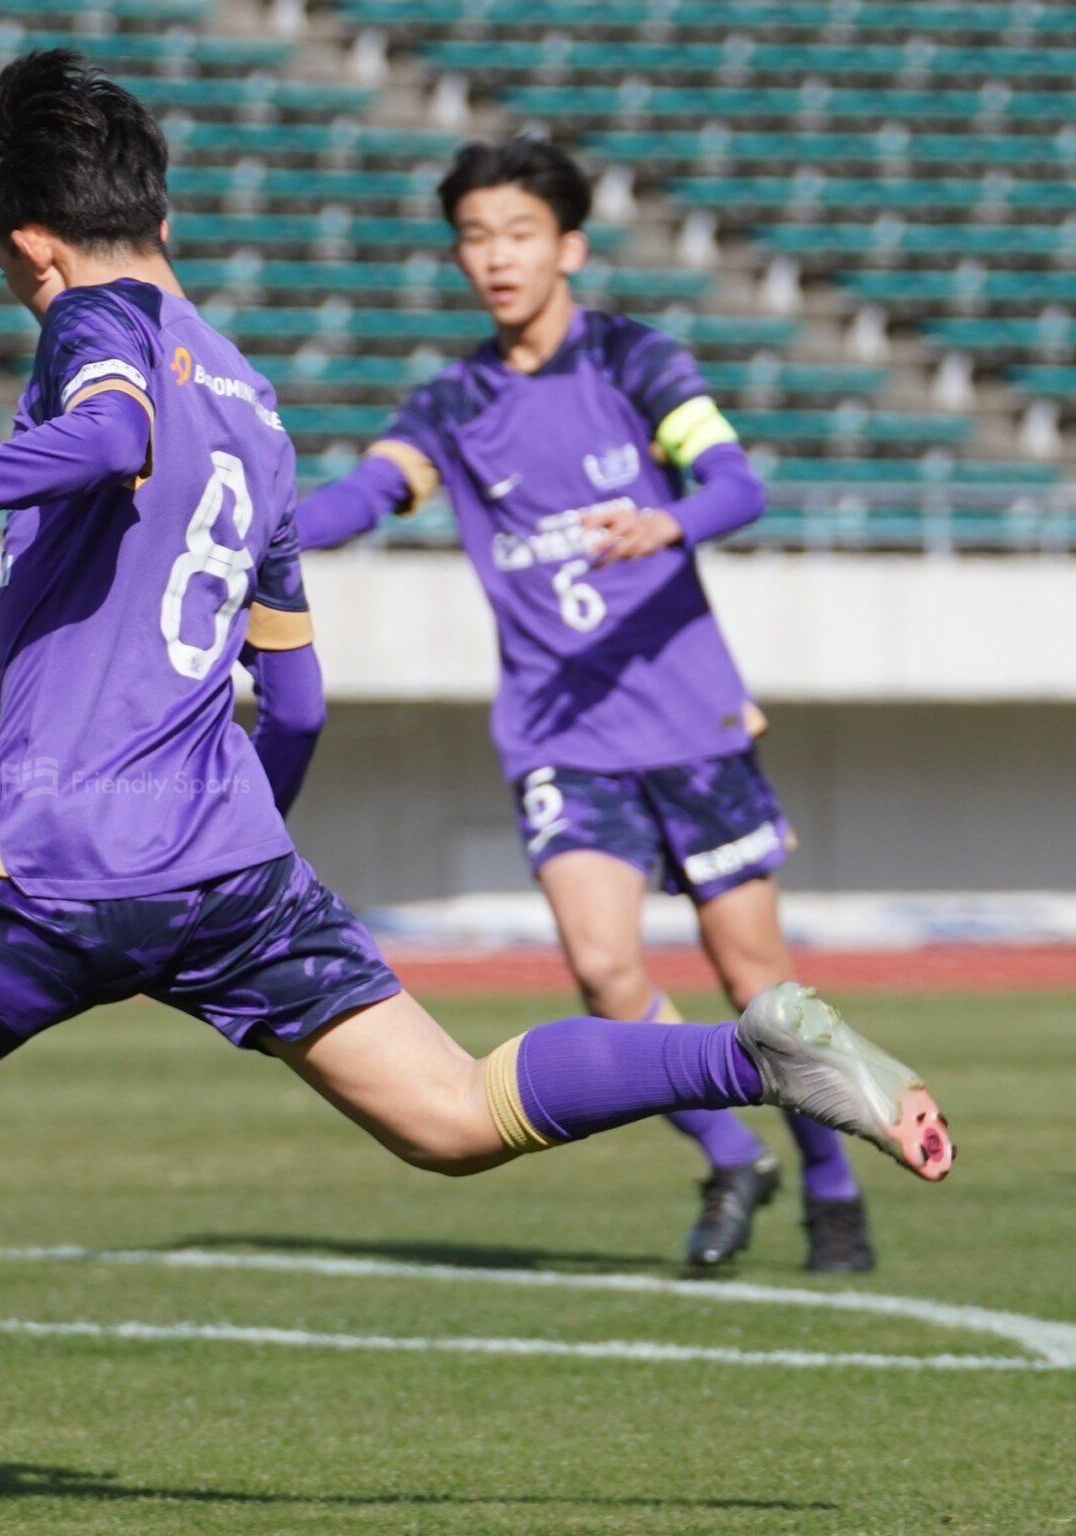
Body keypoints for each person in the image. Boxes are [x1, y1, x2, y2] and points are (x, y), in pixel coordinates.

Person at [0, 54, 952, 1516]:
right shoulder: (256, 406)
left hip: (66, 863)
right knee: (451, 1116)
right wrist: (228, 851)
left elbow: (113, 428)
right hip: (230, 868)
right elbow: (301, 695)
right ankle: (750, 1062)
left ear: (32, 249)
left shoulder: (97, 330)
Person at [292, 136, 874, 1273]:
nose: (497, 258)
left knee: (759, 984)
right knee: (606, 972)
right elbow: (370, 491)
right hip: (562, 735)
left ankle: (834, 1184)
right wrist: (250, 527)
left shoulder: (636, 360)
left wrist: (670, 522)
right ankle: (727, 1156)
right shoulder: (451, 400)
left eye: (519, 234)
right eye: (475, 237)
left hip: (690, 719)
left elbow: (739, 483)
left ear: (570, 247)